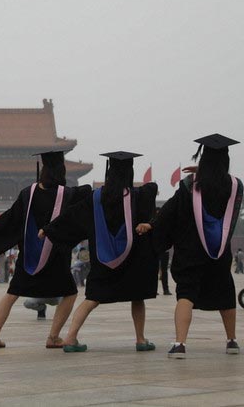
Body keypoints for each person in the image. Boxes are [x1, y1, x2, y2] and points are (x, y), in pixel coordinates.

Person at [139, 134, 244, 359]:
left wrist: (152, 224)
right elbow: (219, 182)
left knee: (186, 294)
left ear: (203, 159)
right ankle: (232, 341)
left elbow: (170, 210)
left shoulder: (189, 186)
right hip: (219, 252)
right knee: (225, 293)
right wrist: (208, 171)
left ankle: (180, 344)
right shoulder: (235, 186)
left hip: (190, 252)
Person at [42, 151, 158, 353]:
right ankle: (140, 339)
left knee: (91, 299)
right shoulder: (137, 197)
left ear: (109, 173)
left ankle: (70, 338)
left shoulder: (95, 199)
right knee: (137, 296)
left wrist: (49, 229)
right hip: (132, 261)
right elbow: (151, 190)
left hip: (102, 261)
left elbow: (72, 216)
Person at [0, 151, 91, 349]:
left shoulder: (26, 194)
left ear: (44, 170)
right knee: (70, 293)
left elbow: (10, 218)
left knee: (12, 293)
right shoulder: (68, 195)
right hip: (56, 258)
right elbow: (84, 203)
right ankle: (53, 337)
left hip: (29, 257)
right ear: (61, 170)